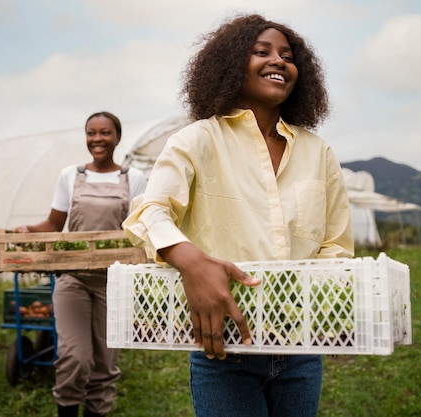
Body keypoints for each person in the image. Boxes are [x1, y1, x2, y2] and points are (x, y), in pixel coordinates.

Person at [122, 14, 354, 417]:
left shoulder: (319, 153)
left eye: (287, 55)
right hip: (224, 348)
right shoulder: (197, 140)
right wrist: (190, 260)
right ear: (230, 66)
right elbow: (150, 210)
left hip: (300, 353)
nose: (278, 61)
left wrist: (320, 309)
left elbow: (334, 244)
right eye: (261, 52)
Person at [13, 111, 147, 417]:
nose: (97, 139)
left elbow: (140, 228)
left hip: (113, 282)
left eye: (104, 133)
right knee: (75, 356)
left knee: (104, 363)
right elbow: (54, 223)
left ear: (117, 137)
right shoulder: (71, 176)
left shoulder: (133, 178)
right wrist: (29, 231)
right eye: (91, 133)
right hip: (72, 278)